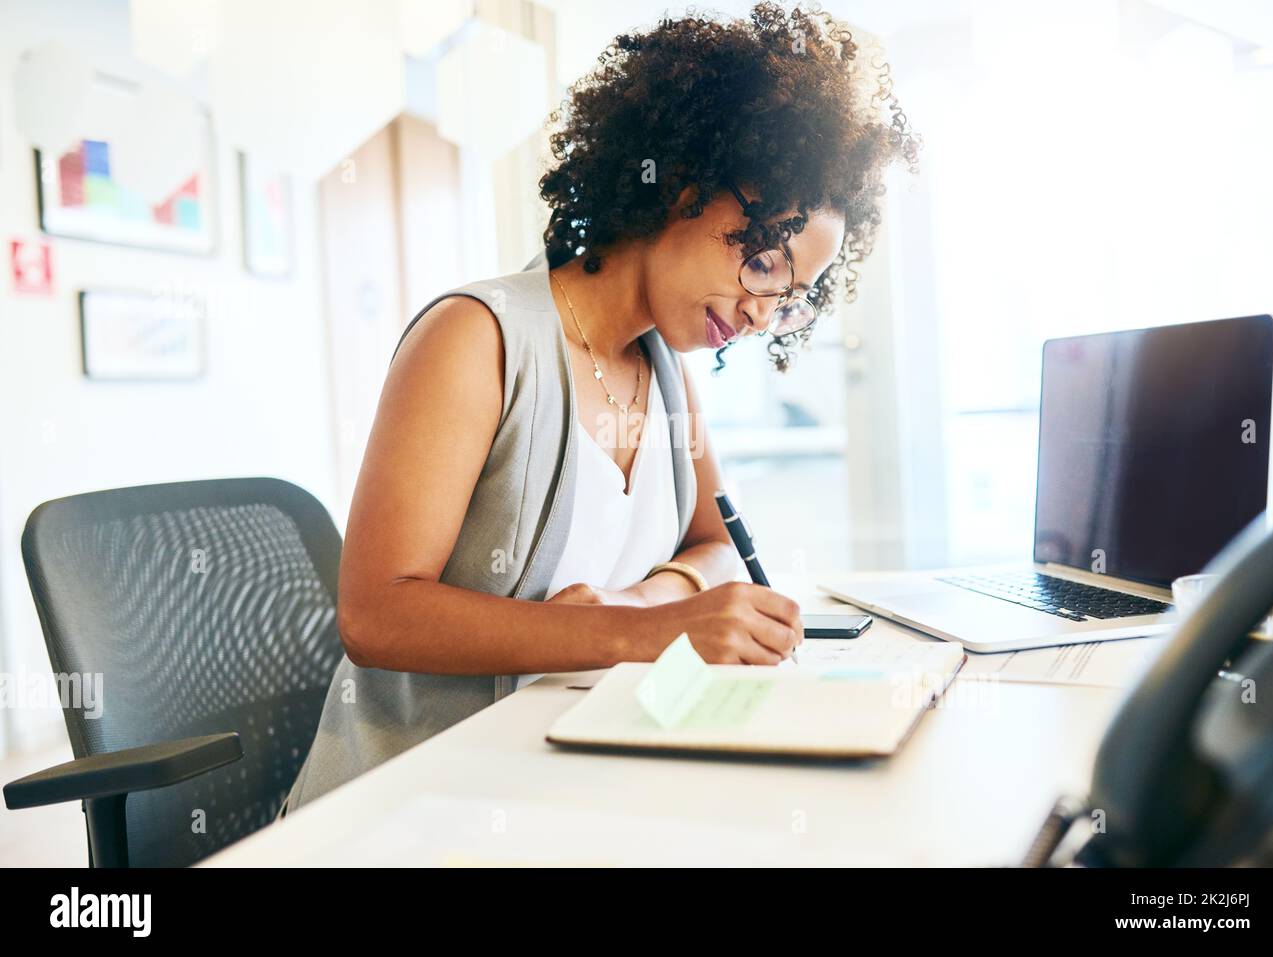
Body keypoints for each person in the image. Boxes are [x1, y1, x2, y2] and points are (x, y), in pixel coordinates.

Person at [284, 2, 918, 811]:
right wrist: (643, 634)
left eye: (789, 297)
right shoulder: (476, 339)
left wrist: (648, 600)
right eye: (763, 260)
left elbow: (717, 545)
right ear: (682, 186)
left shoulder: (665, 365)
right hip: (413, 805)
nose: (762, 311)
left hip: (569, 783)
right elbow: (375, 614)